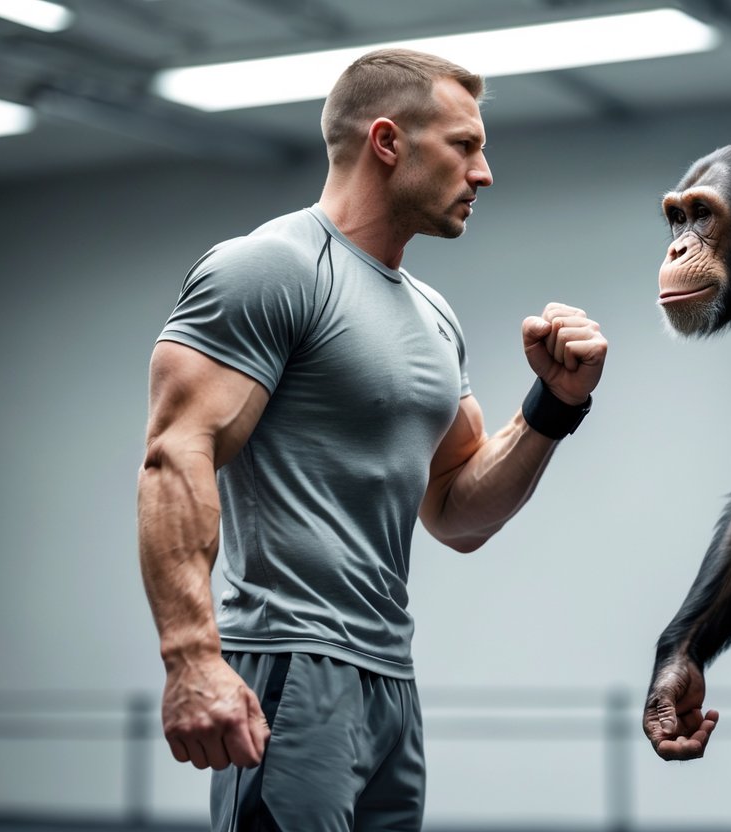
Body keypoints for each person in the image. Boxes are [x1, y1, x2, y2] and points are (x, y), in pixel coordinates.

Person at [136, 48, 608, 831]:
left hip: (389, 675)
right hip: (289, 660)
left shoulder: (432, 316)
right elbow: (174, 455)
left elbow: (456, 510)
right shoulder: (269, 269)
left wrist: (553, 406)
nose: (483, 173)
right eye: (464, 146)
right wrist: (191, 658)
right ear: (387, 141)